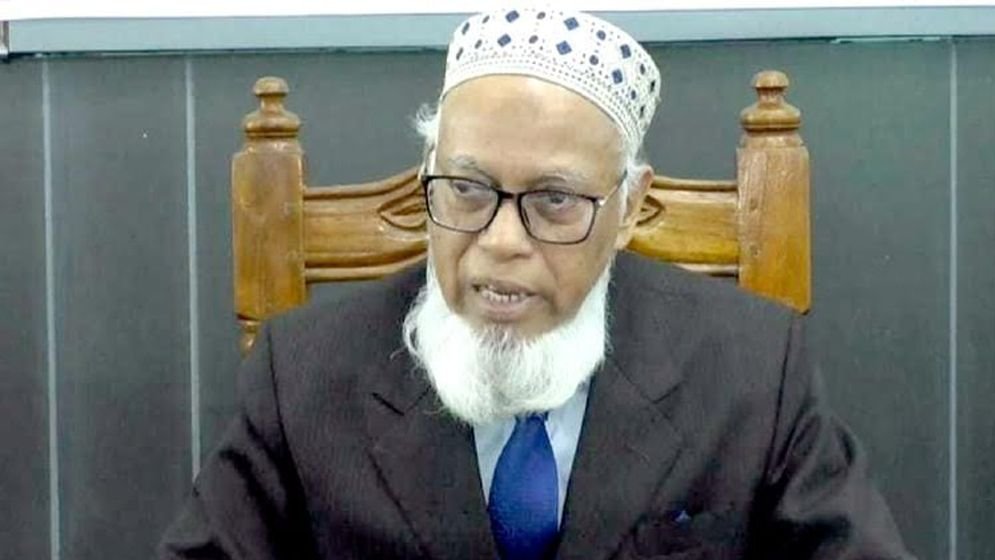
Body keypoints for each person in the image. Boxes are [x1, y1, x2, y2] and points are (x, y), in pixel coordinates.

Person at [159, 8, 913, 559]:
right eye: (466, 190)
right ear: (427, 177)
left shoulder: (751, 370)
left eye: (553, 201)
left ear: (628, 207)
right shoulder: (304, 374)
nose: (500, 242)